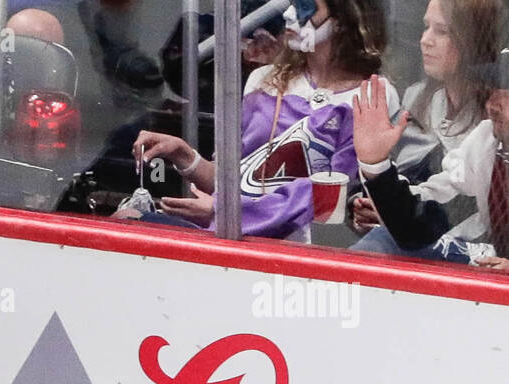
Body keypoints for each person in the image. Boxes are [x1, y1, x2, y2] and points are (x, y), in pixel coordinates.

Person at [124, 0, 393, 241]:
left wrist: (226, 212)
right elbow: (235, 180)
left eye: (305, 6)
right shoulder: (264, 80)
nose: (289, 13)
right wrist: (185, 156)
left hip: (301, 252)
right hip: (233, 234)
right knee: (127, 217)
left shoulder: (372, 95)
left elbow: (329, 195)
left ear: (343, 19)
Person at [350, 0, 501, 253]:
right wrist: (363, 205)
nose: (425, 40)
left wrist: (391, 207)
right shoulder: (415, 99)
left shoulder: (495, 127)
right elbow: (389, 174)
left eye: (441, 31)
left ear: (471, 41)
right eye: (426, 27)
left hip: (457, 255)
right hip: (404, 236)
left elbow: (444, 213)